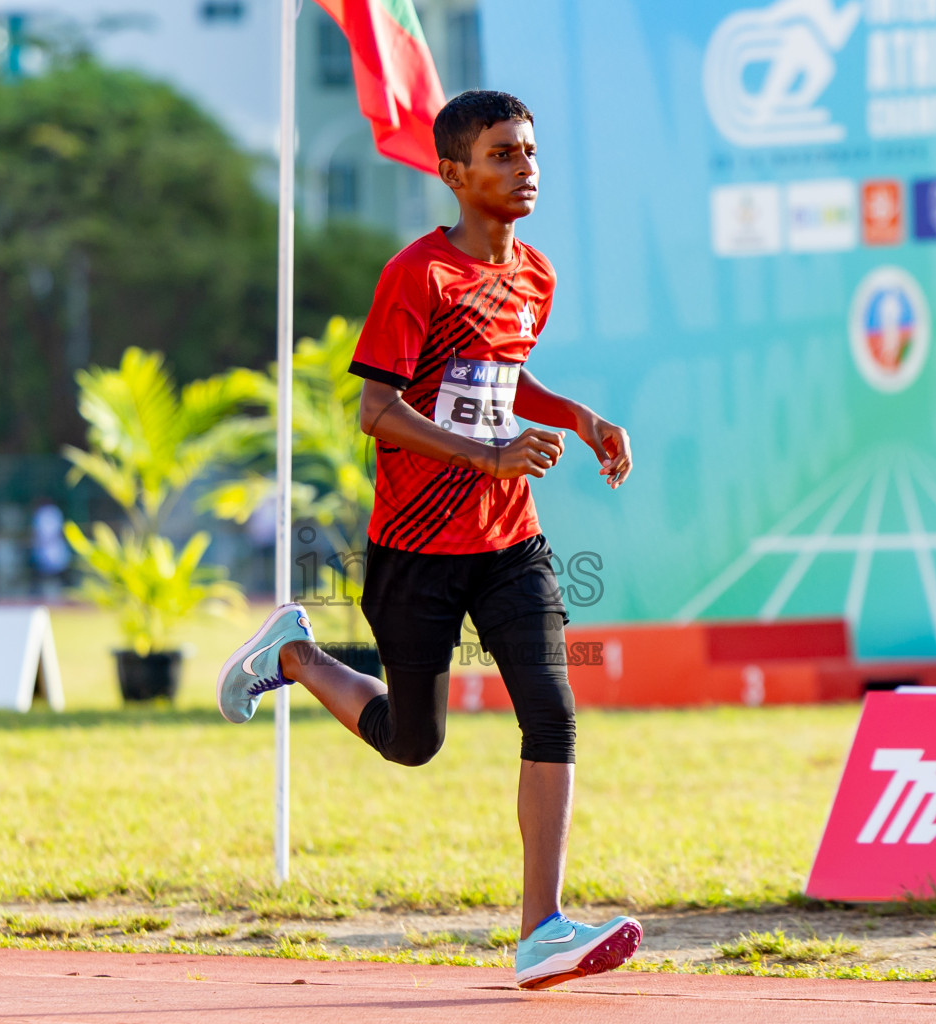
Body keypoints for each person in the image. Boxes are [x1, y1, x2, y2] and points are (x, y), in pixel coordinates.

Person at [214, 91, 638, 990]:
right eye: (502, 154)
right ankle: (295, 656)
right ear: (453, 173)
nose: (525, 168)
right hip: (416, 550)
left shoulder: (537, 276)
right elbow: (379, 411)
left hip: (509, 542)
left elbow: (505, 381)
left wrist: (585, 419)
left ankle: (542, 930)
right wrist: (486, 453)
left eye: (530, 151)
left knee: (553, 709)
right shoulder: (419, 275)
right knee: (414, 742)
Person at [30, 498, 69, 600]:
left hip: (55, 550)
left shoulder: (54, 513)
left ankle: (59, 595)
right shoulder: (41, 514)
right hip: (43, 550)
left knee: (57, 574)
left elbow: (59, 531)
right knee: (44, 576)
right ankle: (46, 596)